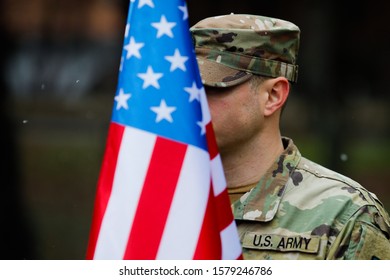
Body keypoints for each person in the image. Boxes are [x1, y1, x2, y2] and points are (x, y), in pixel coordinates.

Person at [190, 14, 390, 260]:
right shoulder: (148, 197)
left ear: (273, 95)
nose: (191, 97)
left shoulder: (344, 215)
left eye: (210, 86)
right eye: (184, 86)